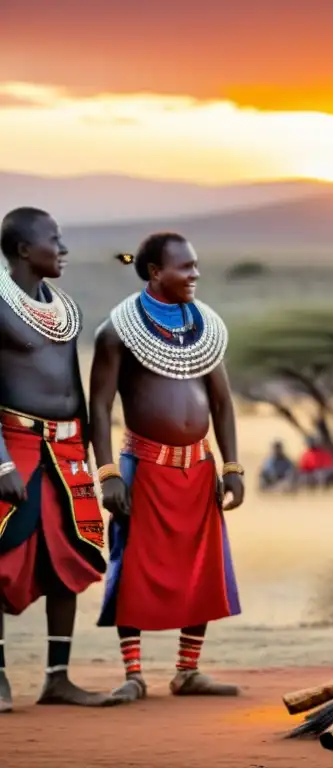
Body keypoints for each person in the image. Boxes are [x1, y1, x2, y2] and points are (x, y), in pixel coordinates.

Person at [90, 233, 244, 702]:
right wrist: (108, 472)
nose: (195, 274)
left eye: (196, 266)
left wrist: (232, 466)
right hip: (144, 466)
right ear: (156, 272)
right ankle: (134, 674)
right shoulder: (117, 331)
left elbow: (222, 403)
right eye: (185, 267)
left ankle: (188, 671)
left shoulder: (207, 329)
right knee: (131, 565)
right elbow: (99, 406)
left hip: (198, 468)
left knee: (200, 567)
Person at [0, 208, 123, 711]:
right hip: (17, 445)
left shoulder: (63, 308)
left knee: (68, 559)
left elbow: (81, 393)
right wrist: (1, 464)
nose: (64, 248)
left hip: (67, 448)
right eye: (55, 240)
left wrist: (105, 466)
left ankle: (58, 678)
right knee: (4, 555)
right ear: (26, 250)